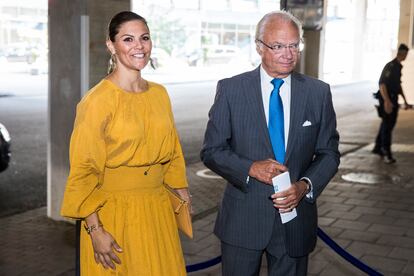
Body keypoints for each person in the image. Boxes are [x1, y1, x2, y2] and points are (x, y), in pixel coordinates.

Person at [200, 10, 340, 275]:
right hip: (242, 220)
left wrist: (304, 186)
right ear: (259, 47)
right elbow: (212, 150)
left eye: (293, 45)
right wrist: (250, 167)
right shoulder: (232, 90)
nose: (288, 54)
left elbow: (329, 152)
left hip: (295, 220)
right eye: (277, 46)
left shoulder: (318, 93)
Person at [60, 11, 190, 275]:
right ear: (111, 45)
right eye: (128, 39)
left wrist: (181, 192)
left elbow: (173, 151)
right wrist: (95, 230)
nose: (139, 46)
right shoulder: (97, 101)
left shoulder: (160, 94)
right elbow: (83, 170)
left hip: (158, 210)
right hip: (113, 213)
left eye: (144, 38)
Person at [372, 43, 410, 164]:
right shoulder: (391, 66)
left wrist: (404, 100)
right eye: (405, 54)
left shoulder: (398, 67)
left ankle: (378, 147)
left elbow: (398, 85)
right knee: (388, 126)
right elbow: (382, 84)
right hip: (387, 99)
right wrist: (387, 101)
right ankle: (386, 151)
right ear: (401, 53)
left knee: (386, 123)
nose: (406, 56)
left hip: (392, 99)